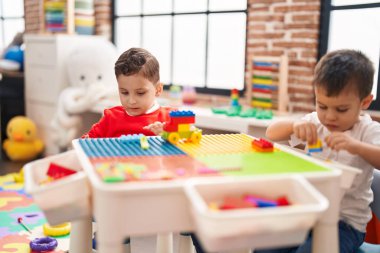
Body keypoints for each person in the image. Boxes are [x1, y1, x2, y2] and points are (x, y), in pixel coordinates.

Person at [255, 49, 380, 253]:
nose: (330, 117)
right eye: (322, 106)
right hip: (308, 213)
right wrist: (294, 126)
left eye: (341, 110)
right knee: (265, 247)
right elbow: (272, 132)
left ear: (364, 102)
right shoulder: (315, 122)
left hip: (345, 225)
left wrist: (356, 147)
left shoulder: (368, 131)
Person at [83, 47, 171, 138]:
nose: (131, 101)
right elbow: (85, 143)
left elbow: (184, 145)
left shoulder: (169, 118)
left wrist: (166, 135)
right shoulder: (110, 118)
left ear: (158, 89)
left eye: (140, 93)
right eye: (125, 93)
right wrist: (87, 141)